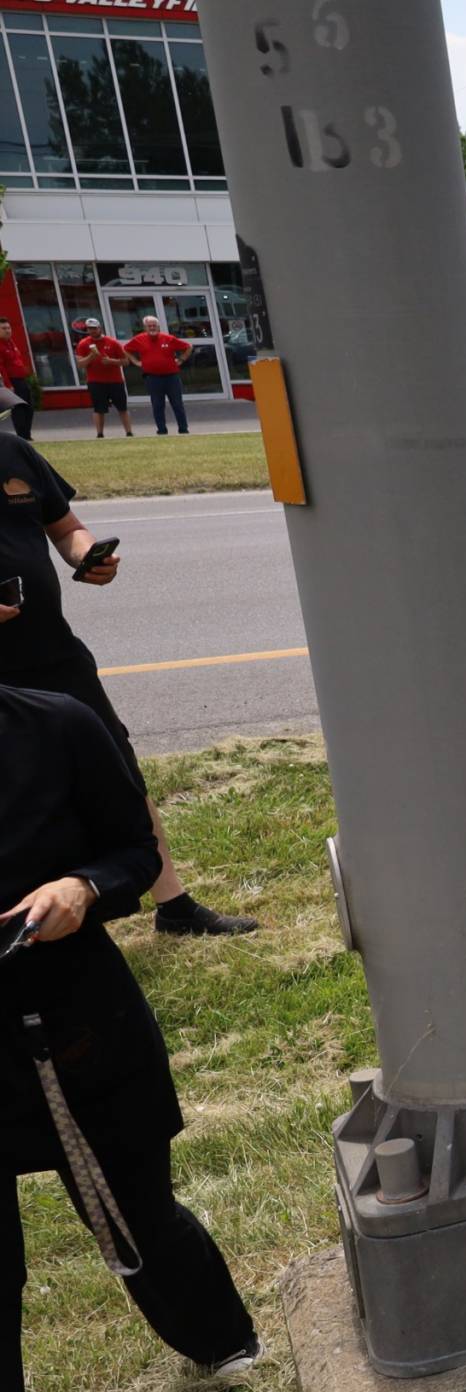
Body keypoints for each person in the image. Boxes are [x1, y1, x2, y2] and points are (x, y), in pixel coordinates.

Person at [1, 681, 261, 1392]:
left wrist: (84, 886)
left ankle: (227, 1347)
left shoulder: (53, 726)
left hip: (73, 1033)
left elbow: (135, 850)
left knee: (136, 1217)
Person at [0, 435, 256, 935]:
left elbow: (66, 527)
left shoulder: (15, 453)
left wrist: (86, 557)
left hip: (55, 654)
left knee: (117, 766)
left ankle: (174, 904)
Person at [126, 316, 192, 436]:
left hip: (171, 377)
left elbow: (188, 347)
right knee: (157, 405)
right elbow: (125, 349)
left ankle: (183, 429)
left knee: (177, 404)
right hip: (152, 378)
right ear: (145, 327)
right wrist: (135, 361)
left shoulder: (168, 339)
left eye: (154, 325)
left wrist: (181, 359)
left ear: (158, 327)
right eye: (149, 326)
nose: (152, 328)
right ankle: (161, 430)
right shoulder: (138, 339)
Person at [73, 321, 132, 440]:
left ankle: (129, 432)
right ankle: (100, 434)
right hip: (95, 382)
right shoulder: (84, 344)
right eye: (89, 329)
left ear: (100, 328)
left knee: (122, 408)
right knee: (98, 409)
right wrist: (91, 356)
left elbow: (126, 361)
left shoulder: (112, 342)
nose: (92, 331)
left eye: (94, 328)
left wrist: (111, 361)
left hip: (115, 381)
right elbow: (80, 365)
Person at [0, 322, 33, 440]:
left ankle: (27, 434)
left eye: (8, 328)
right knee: (18, 409)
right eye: (4, 328)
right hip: (12, 382)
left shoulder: (11, 343)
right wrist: (8, 385)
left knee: (28, 407)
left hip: (21, 379)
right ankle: (22, 436)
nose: (7, 330)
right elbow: (1, 367)